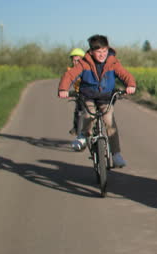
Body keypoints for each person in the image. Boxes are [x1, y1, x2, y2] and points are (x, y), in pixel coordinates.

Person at [58, 35, 136, 168]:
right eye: (99, 52)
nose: (102, 55)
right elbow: (70, 75)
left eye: (104, 51)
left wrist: (131, 84)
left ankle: (116, 155)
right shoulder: (84, 63)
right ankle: (83, 135)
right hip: (88, 96)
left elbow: (124, 74)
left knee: (109, 121)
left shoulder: (113, 62)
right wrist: (63, 88)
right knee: (89, 115)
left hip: (105, 97)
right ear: (92, 51)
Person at [67, 48, 86, 136]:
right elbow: (68, 81)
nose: (75, 62)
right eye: (73, 60)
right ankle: (76, 127)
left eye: (77, 60)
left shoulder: (87, 69)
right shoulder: (70, 70)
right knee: (78, 110)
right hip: (79, 92)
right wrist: (66, 91)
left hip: (89, 92)